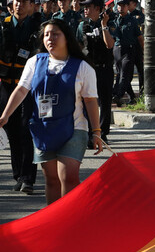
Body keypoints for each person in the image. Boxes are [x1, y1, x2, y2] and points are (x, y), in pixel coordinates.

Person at [0, 19, 104, 204]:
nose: (50, 38)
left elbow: (90, 100)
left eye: (56, 34)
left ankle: (72, 221)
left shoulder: (83, 67)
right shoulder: (34, 62)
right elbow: (21, 90)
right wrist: (5, 115)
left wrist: (96, 131)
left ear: (66, 38)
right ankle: (55, 225)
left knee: (68, 177)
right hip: (43, 128)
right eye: (47, 35)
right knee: (52, 178)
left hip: (74, 128)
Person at [0, 0, 42, 194]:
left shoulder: (40, 27)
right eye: (17, 0)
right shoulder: (3, 26)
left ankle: (28, 178)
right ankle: (18, 175)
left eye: (24, 1)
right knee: (13, 131)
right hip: (7, 85)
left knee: (28, 131)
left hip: (30, 88)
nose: (19, 4)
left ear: (32, 5)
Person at [77, 0, 115, 143]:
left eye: (88, 7)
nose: (85, 10)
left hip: (104, 68)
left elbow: (110, 44)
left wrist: (104, 25)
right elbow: (78, 46)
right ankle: (88, 132)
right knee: (86, 100)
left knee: (105, 102)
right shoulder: (82, 26)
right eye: (84, 7)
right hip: (87, 69)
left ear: (98, 9)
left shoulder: (109, 23)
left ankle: (101, 133)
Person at [111, 0, 142, 106]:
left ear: (127, 7)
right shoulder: (114, 20)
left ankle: (118, 95)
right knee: (120, 73)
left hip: (129, 49)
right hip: (117, 49)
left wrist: (142, 51)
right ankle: (132, 96)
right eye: (119, 5)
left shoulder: (132, 20)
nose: (121, 8)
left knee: (124, 74)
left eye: (123, 5)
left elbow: (139, 37)